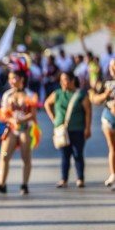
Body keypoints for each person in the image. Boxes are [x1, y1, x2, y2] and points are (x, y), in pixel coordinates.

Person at [0, 66, 39, 195]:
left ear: (22, 78)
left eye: (14, 78)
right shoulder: (7, 95)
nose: (11, 81)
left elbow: (33, 115)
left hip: (25, 128)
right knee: (4, 156)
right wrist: (11, 120)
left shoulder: (30, 94)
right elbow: (3, 113)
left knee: (26, 157)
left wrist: (22, 121)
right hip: (11, 128)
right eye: (10, 78)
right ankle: (1, 184)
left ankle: (24, 184)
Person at [45, 71, 92, 188]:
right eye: (61, 80)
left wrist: (87, 128)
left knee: (78, 154)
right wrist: (54, 119)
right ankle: (64, 179)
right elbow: (47, 104)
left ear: (72, 81)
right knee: (65, 155)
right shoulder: (57, 94)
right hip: (61, 130)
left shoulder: (80, 95)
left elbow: (88, 112)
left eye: (65, 79)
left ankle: (80, 178)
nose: (62, 82)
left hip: (77, 128)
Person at [91, 59, 115, 187]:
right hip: (108, 118)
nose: (112, 69)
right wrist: (105, 95)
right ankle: (113, 174)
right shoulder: (106, 83)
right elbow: (95, 99)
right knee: (112, 147)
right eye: (111, 67)